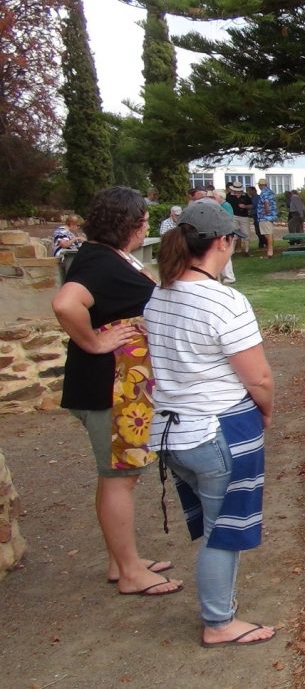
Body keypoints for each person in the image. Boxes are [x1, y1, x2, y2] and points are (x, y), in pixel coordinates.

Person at [144, 201, 275, 646]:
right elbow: (256, 376)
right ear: (223, 242)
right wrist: (267, 410)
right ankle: (219, 622)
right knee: (224, 532)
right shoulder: (224, 300)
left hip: (170, 432)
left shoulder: (160, 294)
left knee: (214, 524)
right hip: (215, 431)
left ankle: (220, 611)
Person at [51, 186, 182, 597]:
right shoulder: (98, 263)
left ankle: (120, 560)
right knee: (118, 478)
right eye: (143, 220)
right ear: (130, 224)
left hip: (116, 388)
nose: (146, 226)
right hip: (108, 387)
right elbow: (65, 304)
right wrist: (93, 342)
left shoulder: (105, 258)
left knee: (116, 476)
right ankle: (128, 572)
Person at [226, 183, 254, 255]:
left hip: (244, 217)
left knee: (246, 233)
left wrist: (245, 206)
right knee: (234, 234)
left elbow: (251, 205)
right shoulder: (229, 196)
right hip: (233, 216)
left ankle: (247, 250)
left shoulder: (245, 196)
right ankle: (232, 251)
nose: (237, 192)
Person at [255, 179, 277, 257]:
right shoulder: (270, 191)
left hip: (265, 217)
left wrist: (266, 211)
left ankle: (270, 251)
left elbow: (266, 202)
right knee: (269, 233)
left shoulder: (264, 192)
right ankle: (270, 250)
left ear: (260, 185)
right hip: (271, 216)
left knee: (267, 234)